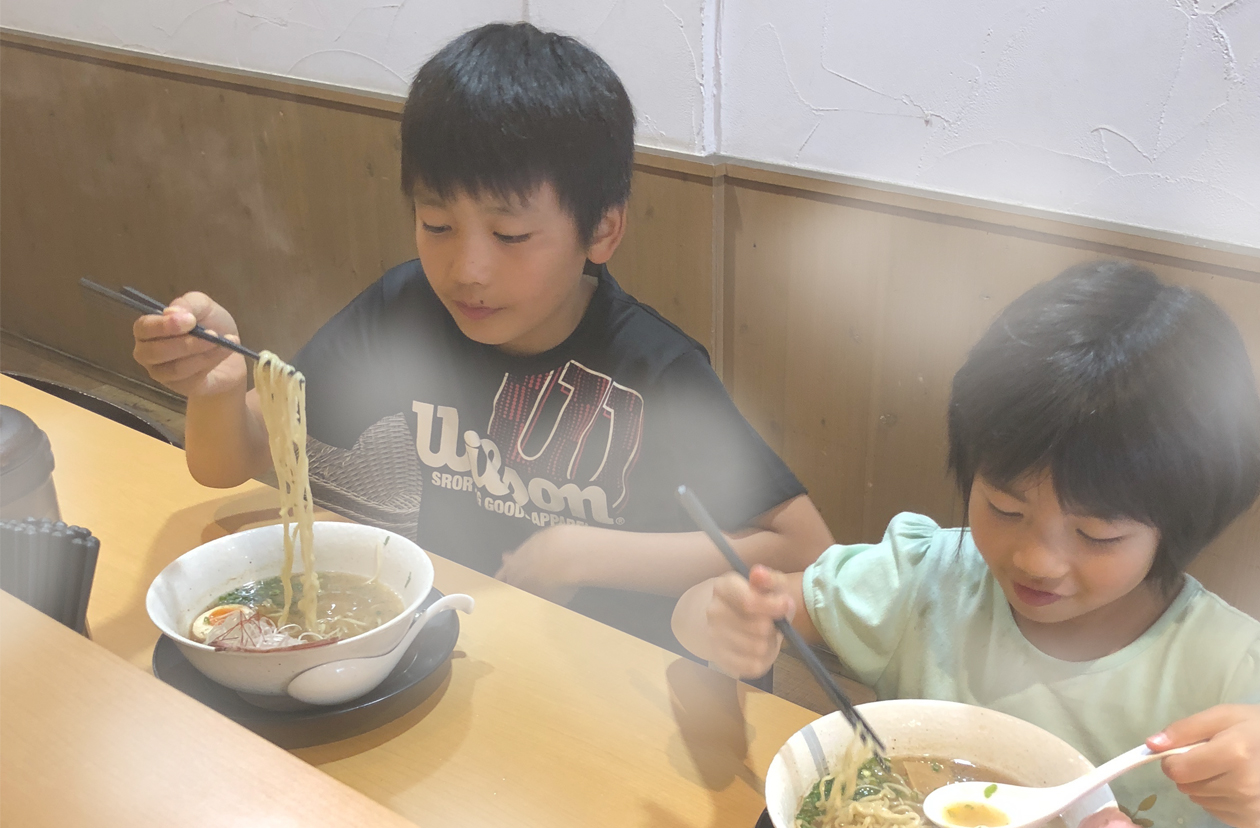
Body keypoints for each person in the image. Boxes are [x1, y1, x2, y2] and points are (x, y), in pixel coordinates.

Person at [131, 22, 833, 655]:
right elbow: (240, 456)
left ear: (602, 230)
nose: (466, 270)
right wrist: (217, 391)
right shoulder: (408, 311)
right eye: (437, 225)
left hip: (618, 676)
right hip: (464, 644)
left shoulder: (653, 370)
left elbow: (806, 548)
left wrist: (583, 552)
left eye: (510, 235)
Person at [672, 261, 1260, 827]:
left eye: (1096, 534)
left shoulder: (1231, 669)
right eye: (1005, 508)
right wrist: (726, 621)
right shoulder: (926, 579)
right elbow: (698, 611)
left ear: (1180, 524)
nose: (1036, 560)